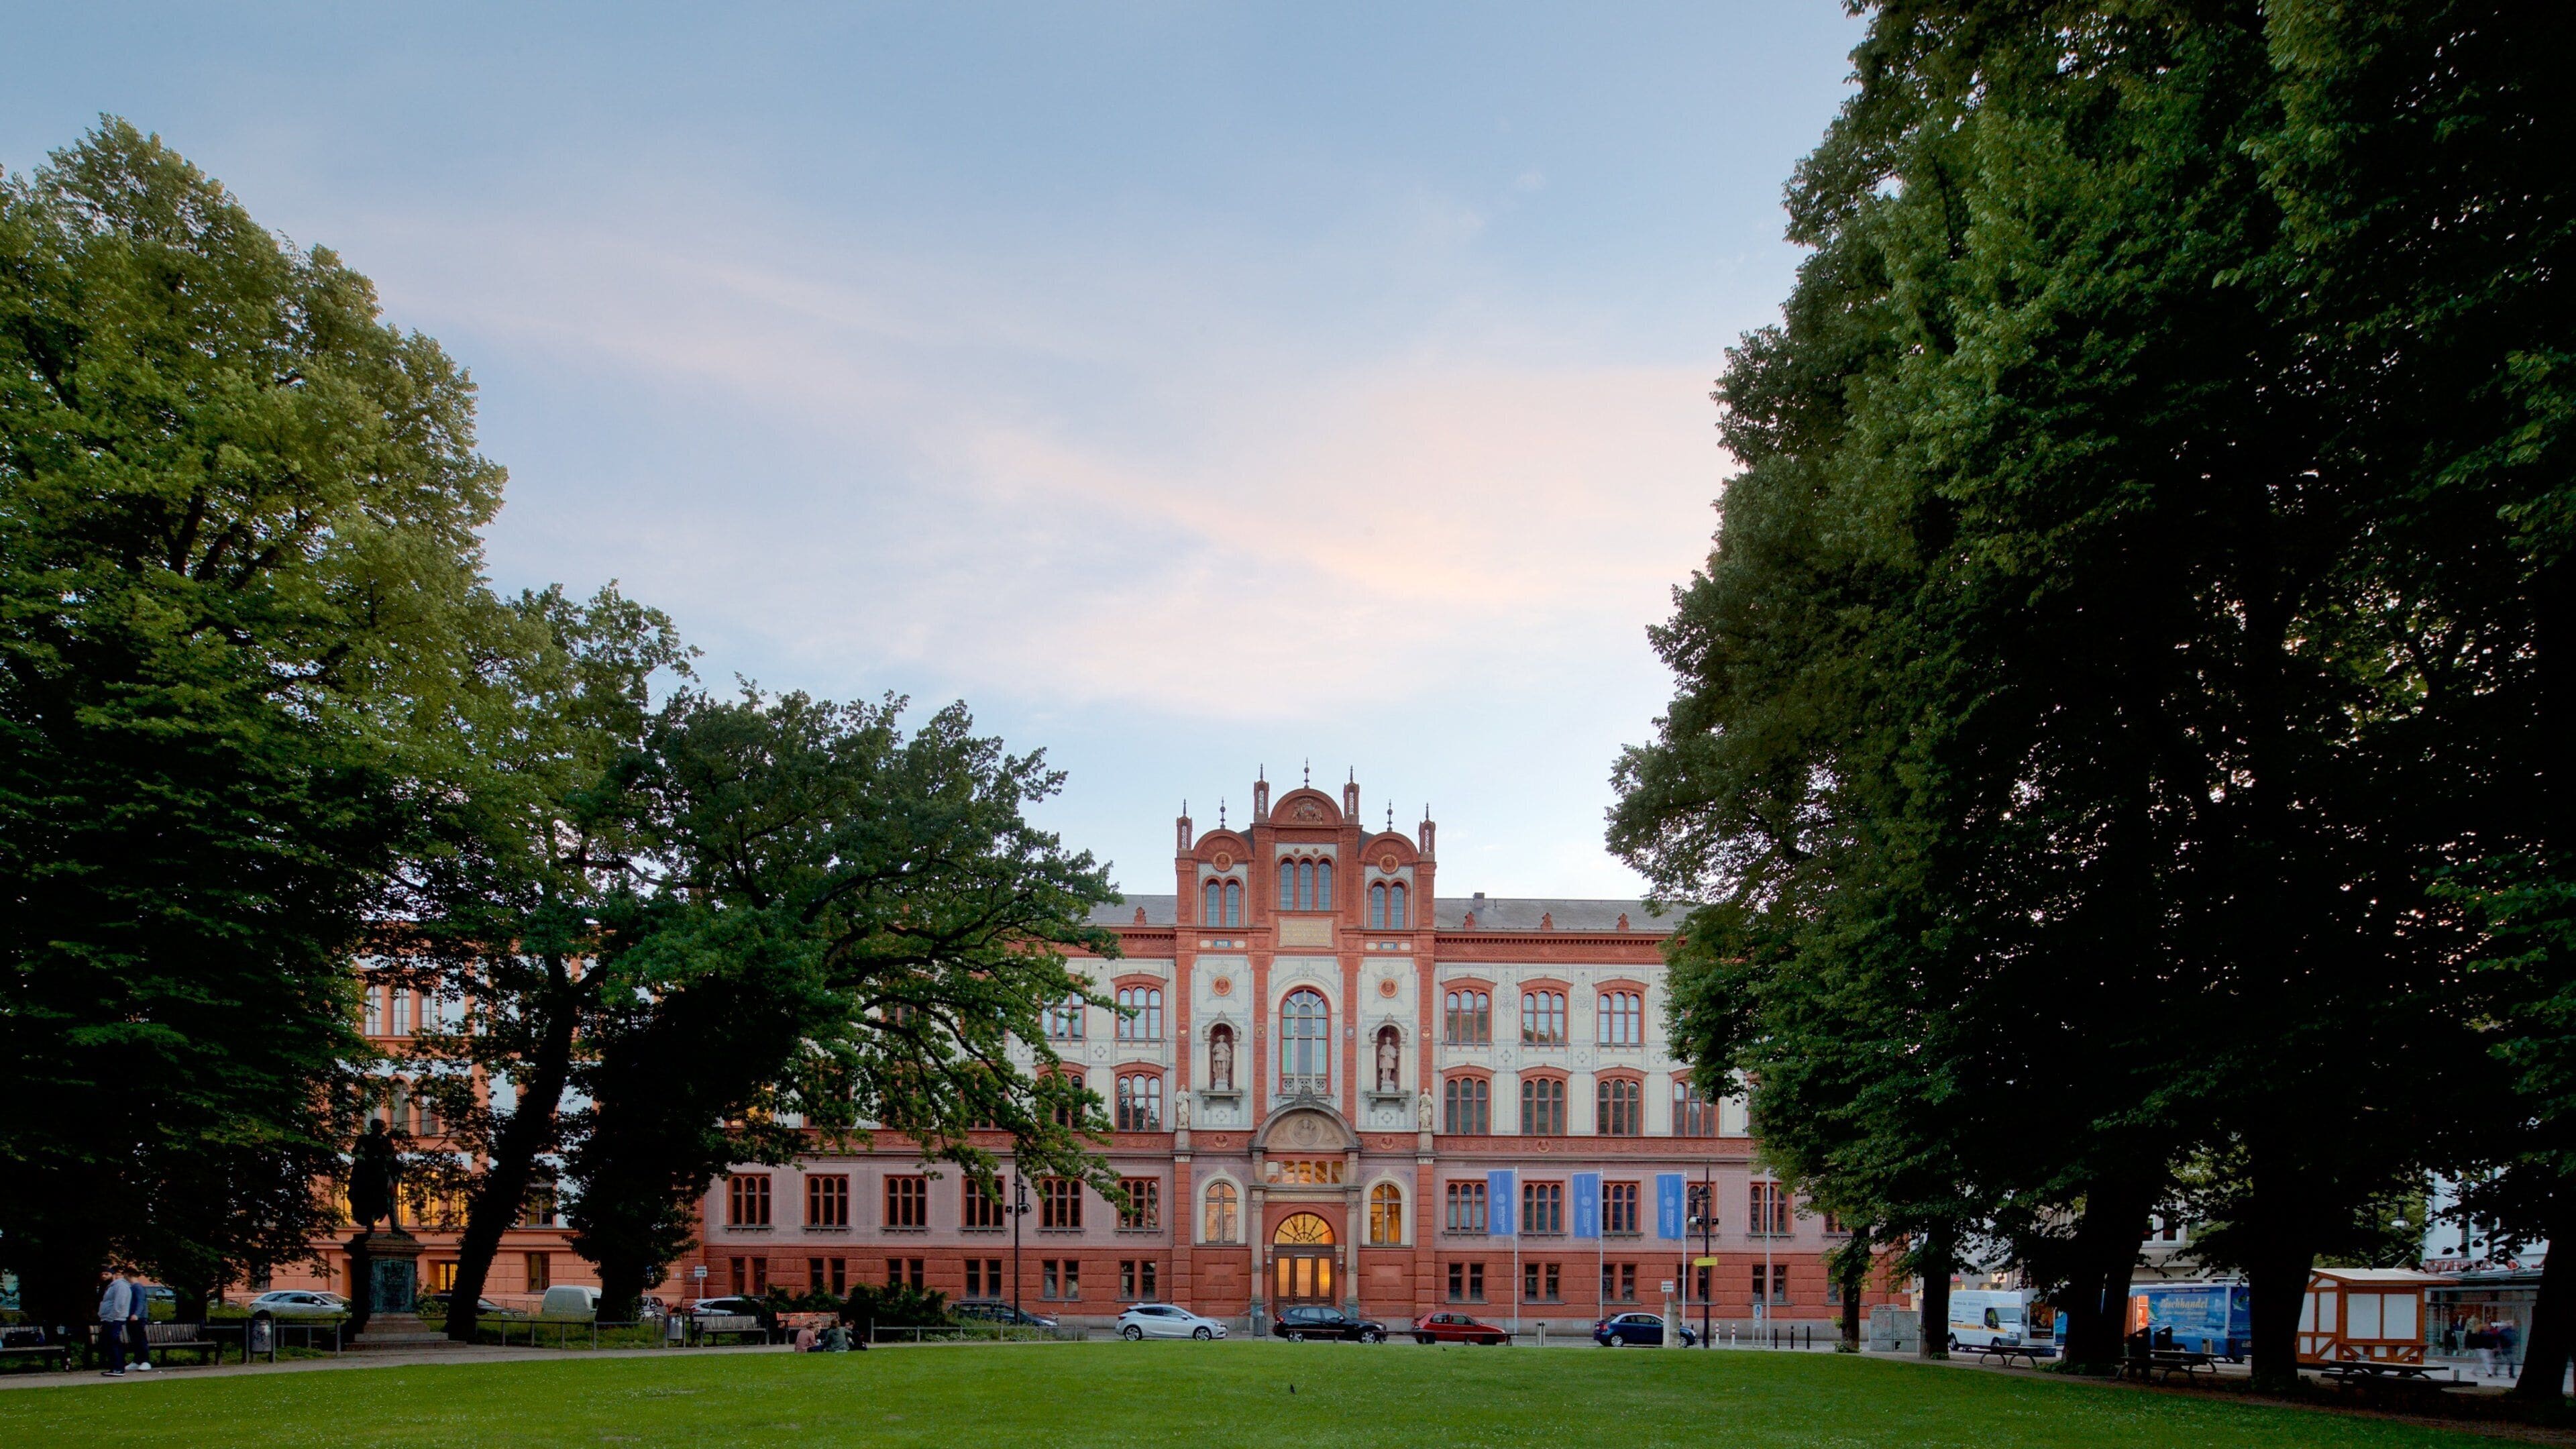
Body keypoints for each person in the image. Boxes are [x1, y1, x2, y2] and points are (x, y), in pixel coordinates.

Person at [97, 1270, 133, 1377]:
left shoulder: (120, 1286)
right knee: (111, 1343)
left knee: (113, 1343)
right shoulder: (112, 1286)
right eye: (102, 1274)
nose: (104, 1276)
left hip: (114, 1319)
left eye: (106, 1274)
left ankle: (118, 1368)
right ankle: (115, 1367)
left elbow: (120, 1303)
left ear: (113, 1275)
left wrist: (112, 1317)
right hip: (110, 1318)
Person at [126, 1281, 154, 1372]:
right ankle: (138, 1361)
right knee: (135, 1340)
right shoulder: (132, 1287)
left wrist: (137, 1314)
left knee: (140, 1339)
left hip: (138, 1317)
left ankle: (146, 1361)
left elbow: (140, 1301)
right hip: (132, 1316)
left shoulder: (137, 1287)